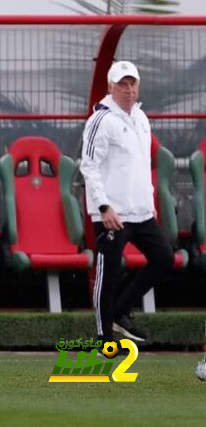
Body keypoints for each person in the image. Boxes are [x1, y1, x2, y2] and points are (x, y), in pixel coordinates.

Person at [80, 61, 174, 344]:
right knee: (108, 273)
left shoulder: (142, 118)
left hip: (142, 212)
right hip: (112, 213)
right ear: (111, 87)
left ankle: (120, 311)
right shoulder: (101, 120)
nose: (129, 89)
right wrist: (103, 207)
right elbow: (89, 165)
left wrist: (150, 204)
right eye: (122, 84)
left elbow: (142, 165)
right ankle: (103, 338)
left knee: (164, 260)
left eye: (132, 83)